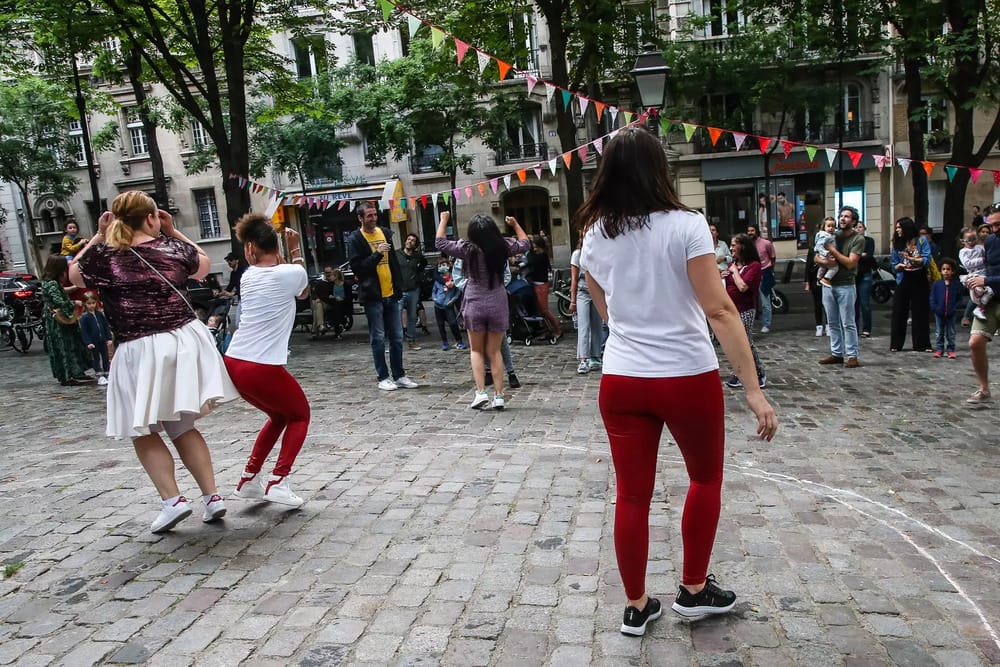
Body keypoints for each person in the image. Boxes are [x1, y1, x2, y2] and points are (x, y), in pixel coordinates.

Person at [576, 127, 777, 636]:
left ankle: (637, 605)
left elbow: (605, 310)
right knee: (704, 478)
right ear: (657, 168)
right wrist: (753, 390)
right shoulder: (687, 225)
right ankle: (691, 589)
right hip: (686, 373)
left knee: (632, 495)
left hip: (622, 377)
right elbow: (720, 309)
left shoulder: (593, 234)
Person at [70, 191, 238, 533]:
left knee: (142, 428)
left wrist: (100, 236)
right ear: (152, 218)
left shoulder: (106, 257)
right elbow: (203, 264)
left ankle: (173, 500)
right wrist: (173, 231)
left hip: (138, 348)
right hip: (181, 341)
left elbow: (74, 274)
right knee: (182, 426)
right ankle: (212, 496)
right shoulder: (172, 249)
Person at [224, 214, 311, 508]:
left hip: (235, 361)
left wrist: (279, 250)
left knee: (279, 416)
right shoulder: (290, 273)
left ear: (249, 250)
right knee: (300, 415)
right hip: (260, 366)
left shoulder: (247, 277)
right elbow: (303, 290)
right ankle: (279, 480)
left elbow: (276, 270)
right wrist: (295, 248)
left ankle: (249, 479)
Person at [435, 211, 530, 410]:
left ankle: (480, 393)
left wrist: (444, 220)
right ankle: (499, 395)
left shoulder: (467, 248)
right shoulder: (502, 246)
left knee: (476, 350)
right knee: (495, 351)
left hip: (474, 302)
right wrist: (515, 223)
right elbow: (525, 243)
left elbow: (440, 243)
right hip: (497, 300)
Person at [346, 201, 418, 391]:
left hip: (391, 292)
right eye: (369, 216)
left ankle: (399, 374)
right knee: (377, 337)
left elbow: (393, 262)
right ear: (360, 218)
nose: (373, 219)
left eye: (375, 214)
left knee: (396, 336)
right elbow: (358, 269)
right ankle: (383, 376)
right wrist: (377, 254)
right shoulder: (355, 239)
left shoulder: (385, 233)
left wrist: (399, 286)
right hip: (373, 295)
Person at [452, 257, 522, 389]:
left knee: (500, 341)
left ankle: (510, 372)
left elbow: (506, 275)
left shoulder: (496, 251)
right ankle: (488, 372)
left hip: (495, 299)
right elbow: (457, 277)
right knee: (479, 341)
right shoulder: (467, 251)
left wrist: (496, 287)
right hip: (475, 300)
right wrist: (473, 287)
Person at [816, 206, 865, 367]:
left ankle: (852, 355)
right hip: (828, 284)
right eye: (841, 216)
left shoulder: (858, 239)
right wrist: (825, 261)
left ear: (854, 221)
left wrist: (832, 250)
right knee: (832, 322)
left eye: (847, 217)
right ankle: (836, 353)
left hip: (846, 285)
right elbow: (816, 256)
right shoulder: (832, 234)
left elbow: (850, 263)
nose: (843, 219)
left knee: (848, 322)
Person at [965, 205, 1000, 404]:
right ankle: (984, 389)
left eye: (998, 224)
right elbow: (988, 267)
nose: (995, 229)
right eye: (991, 225)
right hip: (991, 299)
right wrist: (979, 284)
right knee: (975, 343)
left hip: (992, 288)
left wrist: (986, 281)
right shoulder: (991, 241)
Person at [40, 255, 93, 386]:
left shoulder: (49, 281)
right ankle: (67, 375)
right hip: (58, 321)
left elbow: (59, 292)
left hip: (57, 318)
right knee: (64, 346)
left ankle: (76, 371)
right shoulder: (52, 283)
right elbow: (59, 301)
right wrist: (74, 302)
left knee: (72, 344)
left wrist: (73, 288)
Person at [722, 234, 766, 388]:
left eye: (734, 245)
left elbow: (742, 287)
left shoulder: (753, 266)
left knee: (746, 342)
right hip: (731, 309)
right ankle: (740, 373)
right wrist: (724, 275)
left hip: (745, 309)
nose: (731, 248)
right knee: (735, 343)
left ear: (743, 246)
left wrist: (733, 272)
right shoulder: (733, 266)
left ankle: (759, 372)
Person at [889, 216, 933, 352]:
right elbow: (894, 264)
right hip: (904, 277)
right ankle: (896, 344)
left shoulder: (921, 241)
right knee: (899, 310)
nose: (897, 230)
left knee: (920, 310)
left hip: (919, 276)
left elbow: (926, 258)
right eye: (896, 228)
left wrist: (913, 259)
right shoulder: (897, 243)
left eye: (899, 227)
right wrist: (899, 266)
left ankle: (922, 344)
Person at [570, 239, 603, 374]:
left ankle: (595, 356)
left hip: (596, 291)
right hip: (582, 292)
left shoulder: (598, 253)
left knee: (597, 325)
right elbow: (574, 278)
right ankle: (583, 359)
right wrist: (572, 301)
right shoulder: (577, 254)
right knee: (584, 326)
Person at [521, 235, 563, 339]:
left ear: (541, 246)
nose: (535, 249)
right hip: (537, 284)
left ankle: (557, 328)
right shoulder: (537, 255)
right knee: (540, 311)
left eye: (536, 247)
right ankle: (548, 330)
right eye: (534, 247)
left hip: (541, 285)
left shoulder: (542, 256)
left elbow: (531, 261)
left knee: (544, 310)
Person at [396, 233, 427, 351]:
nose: (410, 241)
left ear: (416, 244)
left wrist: (417, 275)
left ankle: (411, 340)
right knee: (396, 315)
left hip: (413, 290)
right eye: (408, 239)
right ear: (405, 241)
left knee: (412, 317)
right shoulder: (397, 254)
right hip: (399, 290)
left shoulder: (417, 256)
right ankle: (396, 342)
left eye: (413, 240)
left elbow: (423, 264)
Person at [929, 258, 962, 359]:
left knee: (951, 332)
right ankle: (939, 349)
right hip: (939, 312)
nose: (946, 271)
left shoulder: (956, 285)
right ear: (941, 270)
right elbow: (932, 297)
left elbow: (959, 299)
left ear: (952, 271)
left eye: (948, 269)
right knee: (939, 332)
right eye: (944, 269)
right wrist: (935, 308)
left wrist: (954, 308)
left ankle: (951, 350)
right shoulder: (937, 284)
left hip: (951, 313)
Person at [431, 255, 466, 350]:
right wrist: (434, 299)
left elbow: (458, 290)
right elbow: (434, 290)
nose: (442, 267)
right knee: (440, 325)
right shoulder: (439, 279)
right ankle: (445, 342)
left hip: (448, 305)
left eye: (443, 264)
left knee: (453, 323)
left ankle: (459, 341)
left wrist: (453, 299)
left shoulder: (453, 277)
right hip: (438, 305)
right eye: (439, 265)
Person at [79, 291, 114, 386]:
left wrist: (109, 338)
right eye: (89, 303)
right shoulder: (84, 318)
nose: (91, 305)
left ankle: (107, 373)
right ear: (85, 304)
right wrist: (88, 342)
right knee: (96, 359)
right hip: (93, 342)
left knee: (105, 357)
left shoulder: (99, 314)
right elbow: (84, 332)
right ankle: (99, 375)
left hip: (102, 340)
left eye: (93, 303)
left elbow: (105, 326)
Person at [958, 228, 993, 321]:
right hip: (974, 275)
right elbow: (967, 264)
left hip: (985, 273)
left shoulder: (979, 248)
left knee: (990, 291)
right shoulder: (963, 252)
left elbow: (987, 256)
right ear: (963, 241)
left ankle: (980, 308)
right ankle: (971, 313)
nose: (972, 242)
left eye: (974, 239)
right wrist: (981, 260)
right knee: (979, 290)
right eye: (970, 239)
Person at [746, 224, 775, 333]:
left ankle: (766, 324)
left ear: (757, 231)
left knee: (765, 301)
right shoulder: (747, 245)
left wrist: (771, 271)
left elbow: (772, 257)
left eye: (752, 230)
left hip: (764, 272)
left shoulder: (766, 243)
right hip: (751, 273)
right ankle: (750, 324)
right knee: (750, 301)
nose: (750, 233)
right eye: (748, 231)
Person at [854, 220, 877, 337]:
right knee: (854, 304)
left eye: (860, 227)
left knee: (865, 303)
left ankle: (866, 328)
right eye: (856, 227)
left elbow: (869, 256)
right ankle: (855, 328)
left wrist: (859, 255)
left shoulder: (869, 241)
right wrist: (860, 255)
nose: (858, 229)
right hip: (854, 275)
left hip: (865, 275)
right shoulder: (852, 241)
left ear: (864, 229)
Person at [804, 231, 828, 337]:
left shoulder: (830, 248)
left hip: (827, 279)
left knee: (828, 304)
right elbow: (808, 266)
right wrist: (807, 282)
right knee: (818, 304)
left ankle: (829, 326)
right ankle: (819, 326)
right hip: (815, 280)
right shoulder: (812, 250)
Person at [813, 216, 839, 287]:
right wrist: (825, 253)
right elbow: (819, 246)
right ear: (824, 227)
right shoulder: (825, 236)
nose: (831, 228)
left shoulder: (830, 235)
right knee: (834, 268)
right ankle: (826, 279)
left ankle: (818, 279)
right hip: (825, 255)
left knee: (822, 268)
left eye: (833, 226)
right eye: (828, 226)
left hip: (825, 254)